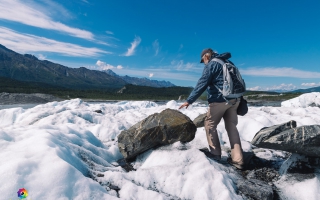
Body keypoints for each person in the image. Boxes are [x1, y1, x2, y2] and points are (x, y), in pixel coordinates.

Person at [179, 48, 244, 169]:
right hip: (235, 100)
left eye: (203, 59)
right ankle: (238, 160)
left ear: (206, 56)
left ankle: (215, 154)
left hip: (220, 100)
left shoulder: (212, 64)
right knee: (232, 128)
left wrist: (189, 100)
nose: (203, 62)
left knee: (209, 124)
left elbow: (202, 83)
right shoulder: (228, 63)